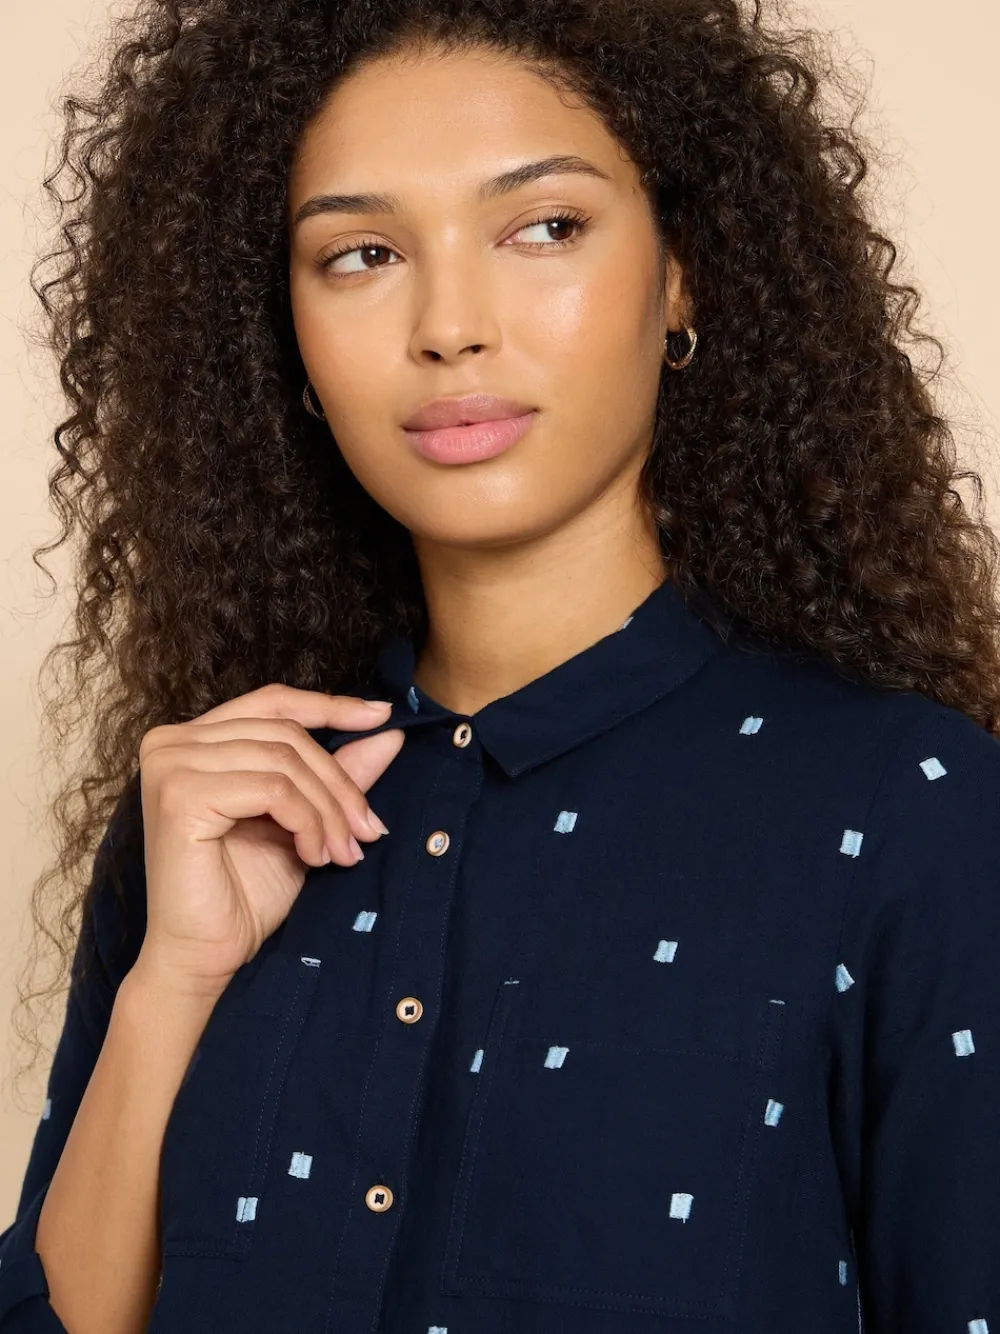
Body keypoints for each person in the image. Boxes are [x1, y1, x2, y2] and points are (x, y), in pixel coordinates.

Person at [2, 0, 999, 1330]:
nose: (450, 326)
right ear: (285, 340)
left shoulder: (909, 808)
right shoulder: (211, 811)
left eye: (544, 228)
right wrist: (173, 979)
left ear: (684, 275)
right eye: (361, 254)